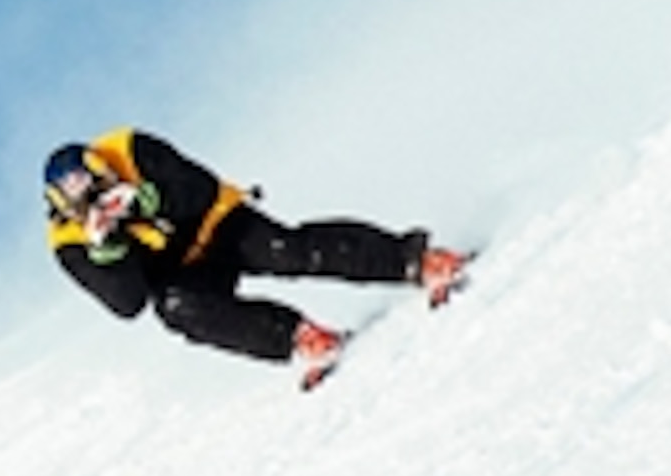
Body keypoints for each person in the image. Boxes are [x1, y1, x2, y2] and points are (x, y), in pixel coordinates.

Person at [42, 128, 470, 383]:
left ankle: (408, 260)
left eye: (99, 189)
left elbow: (199, 186)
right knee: (178, 310)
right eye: (84, 203)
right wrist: (108, 249)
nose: (99, 204)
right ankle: (297, 338)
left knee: (288, 251)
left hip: (217, 223)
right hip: (183, 272)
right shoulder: (70, 243)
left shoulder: (129, 147)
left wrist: (145, 200)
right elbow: (127, 303)